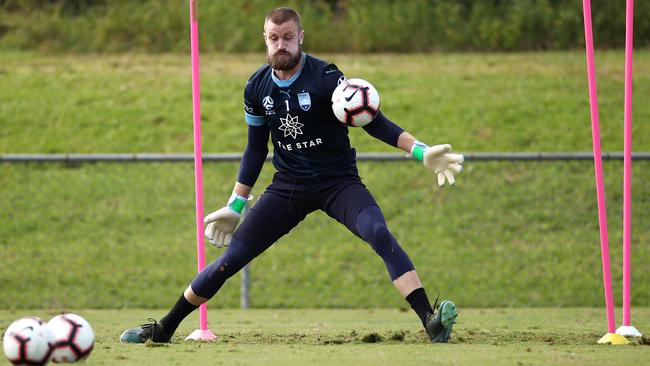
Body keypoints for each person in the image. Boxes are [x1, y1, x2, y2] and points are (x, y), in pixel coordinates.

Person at [120, 7, 463, 344]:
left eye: (287, 37)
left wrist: (419, 150)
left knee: (378, 233)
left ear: (300, 38)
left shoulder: (326, 77)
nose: (280, 45)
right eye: (273, 38)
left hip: (337, 182)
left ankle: (430, 323)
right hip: (289, 186)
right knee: (232, 260)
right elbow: (255, 149)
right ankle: (164, 329)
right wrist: (236, 204)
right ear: (265, 40)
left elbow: (373, 122)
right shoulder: (256, 87)